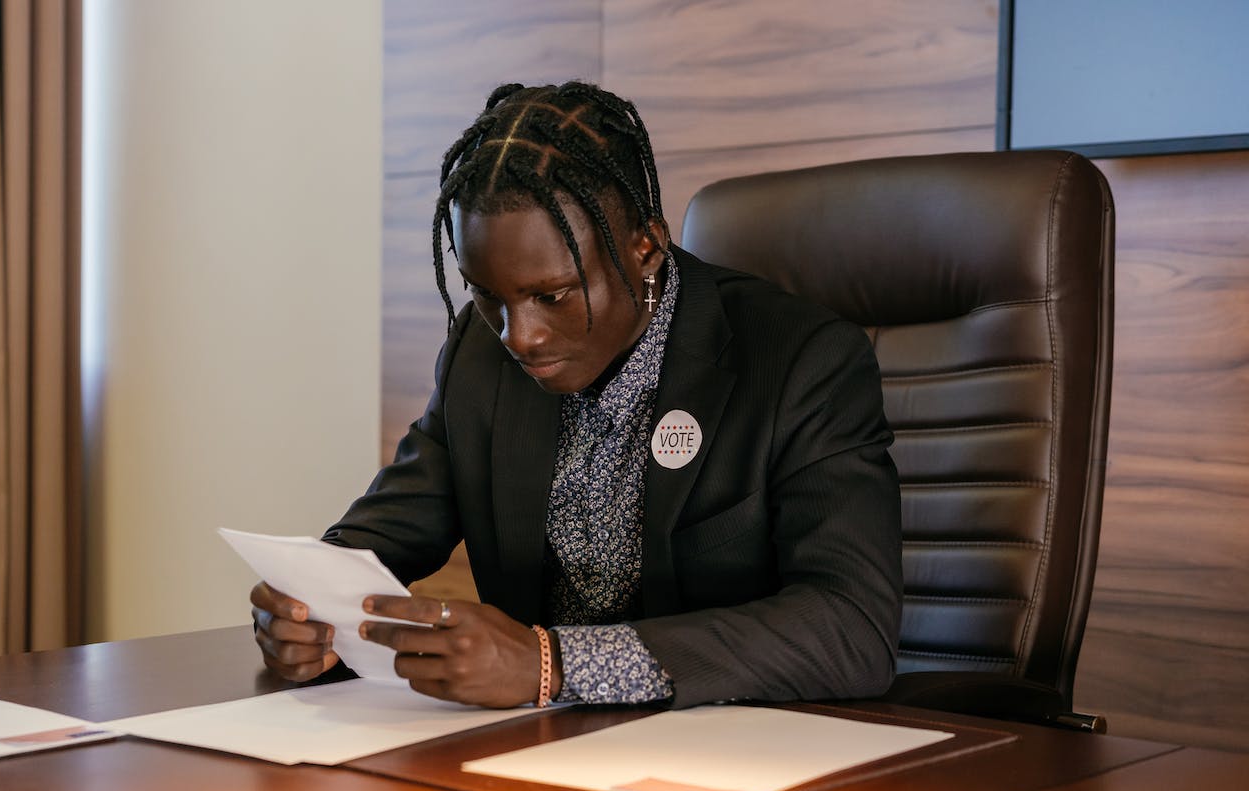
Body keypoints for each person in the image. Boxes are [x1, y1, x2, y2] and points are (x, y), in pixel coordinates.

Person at [250, 81, 902, 710]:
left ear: (645, 247)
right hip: (543, 753)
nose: (519, 336)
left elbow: (850, 626)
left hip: (741, 754)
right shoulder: (481, 356)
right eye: (487, 296)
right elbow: (385, 532)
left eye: (551, 294)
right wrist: (309, 608)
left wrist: (553, 663)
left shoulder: (801, 362)